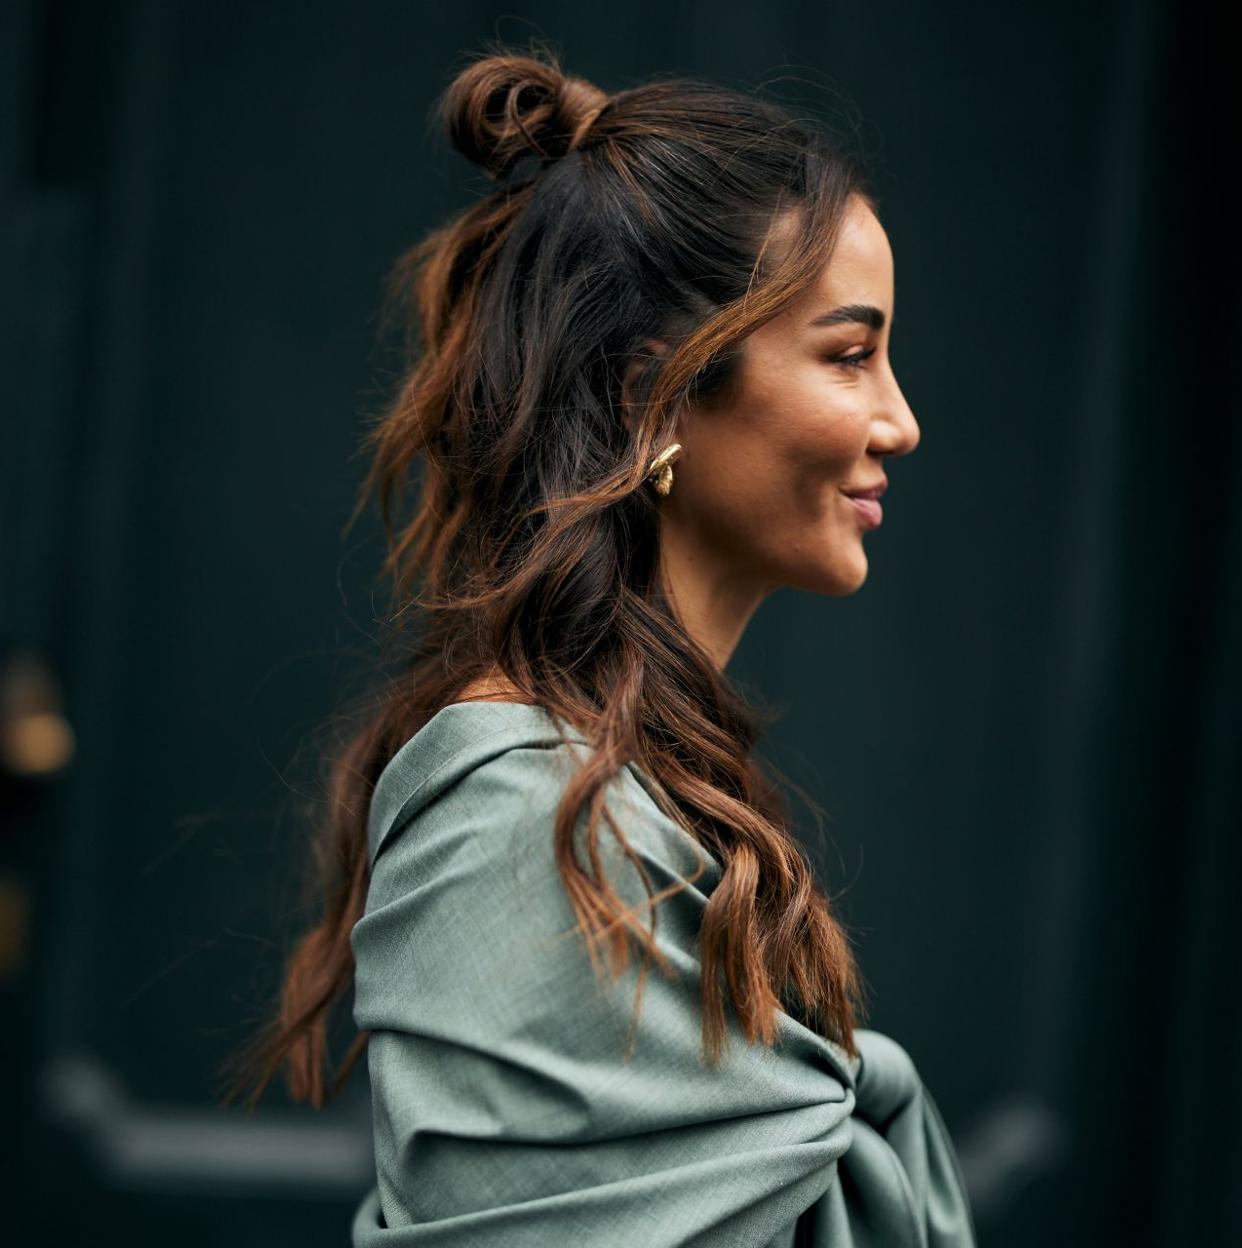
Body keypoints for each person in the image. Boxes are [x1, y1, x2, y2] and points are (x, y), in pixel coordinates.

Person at [221, 42, 977, 1247]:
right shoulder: (522, 809)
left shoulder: (643, 785)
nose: (902, 420)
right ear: (650, 392)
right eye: (850, 354)